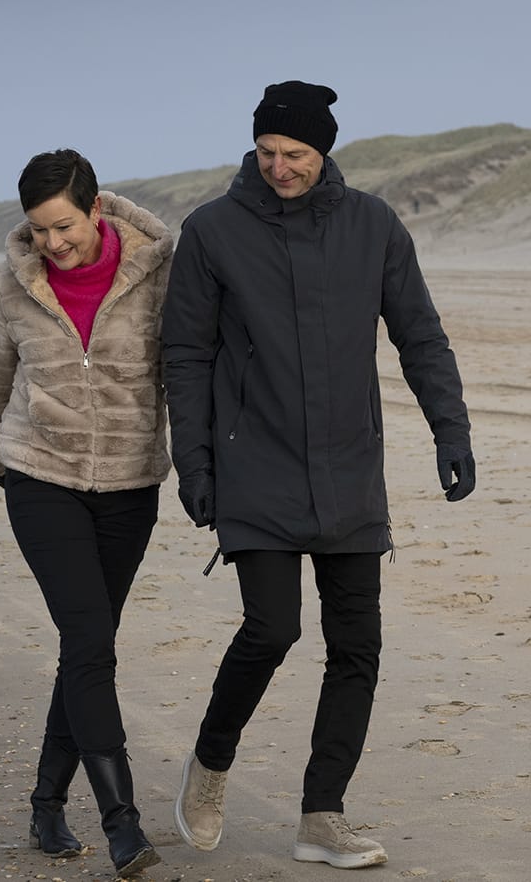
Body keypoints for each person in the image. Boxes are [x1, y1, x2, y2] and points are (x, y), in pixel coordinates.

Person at [161, 80, 476, 869]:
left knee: (356, 644)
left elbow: (420, 335)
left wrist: (451, 427)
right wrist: (192, 461)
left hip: (349, 466)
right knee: (272, 627)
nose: (279, 167)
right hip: (255, 462)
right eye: (267, 152)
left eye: (294, 153)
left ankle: (322, 815)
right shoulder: (212, 231)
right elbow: (187, 355)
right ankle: (210, 764)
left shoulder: (374, 225)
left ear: (324, 148)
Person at [0, 148, 173, 877]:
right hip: (40, 474)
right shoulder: (16, 280)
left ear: (95, 209)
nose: (53, 244)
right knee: (90, 639)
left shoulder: (156, 271)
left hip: (129, 482)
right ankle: (122, 822)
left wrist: (205, 466)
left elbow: (181, 371)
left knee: (85, 646)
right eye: (38, 229)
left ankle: (47, 802)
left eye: (64, 227)